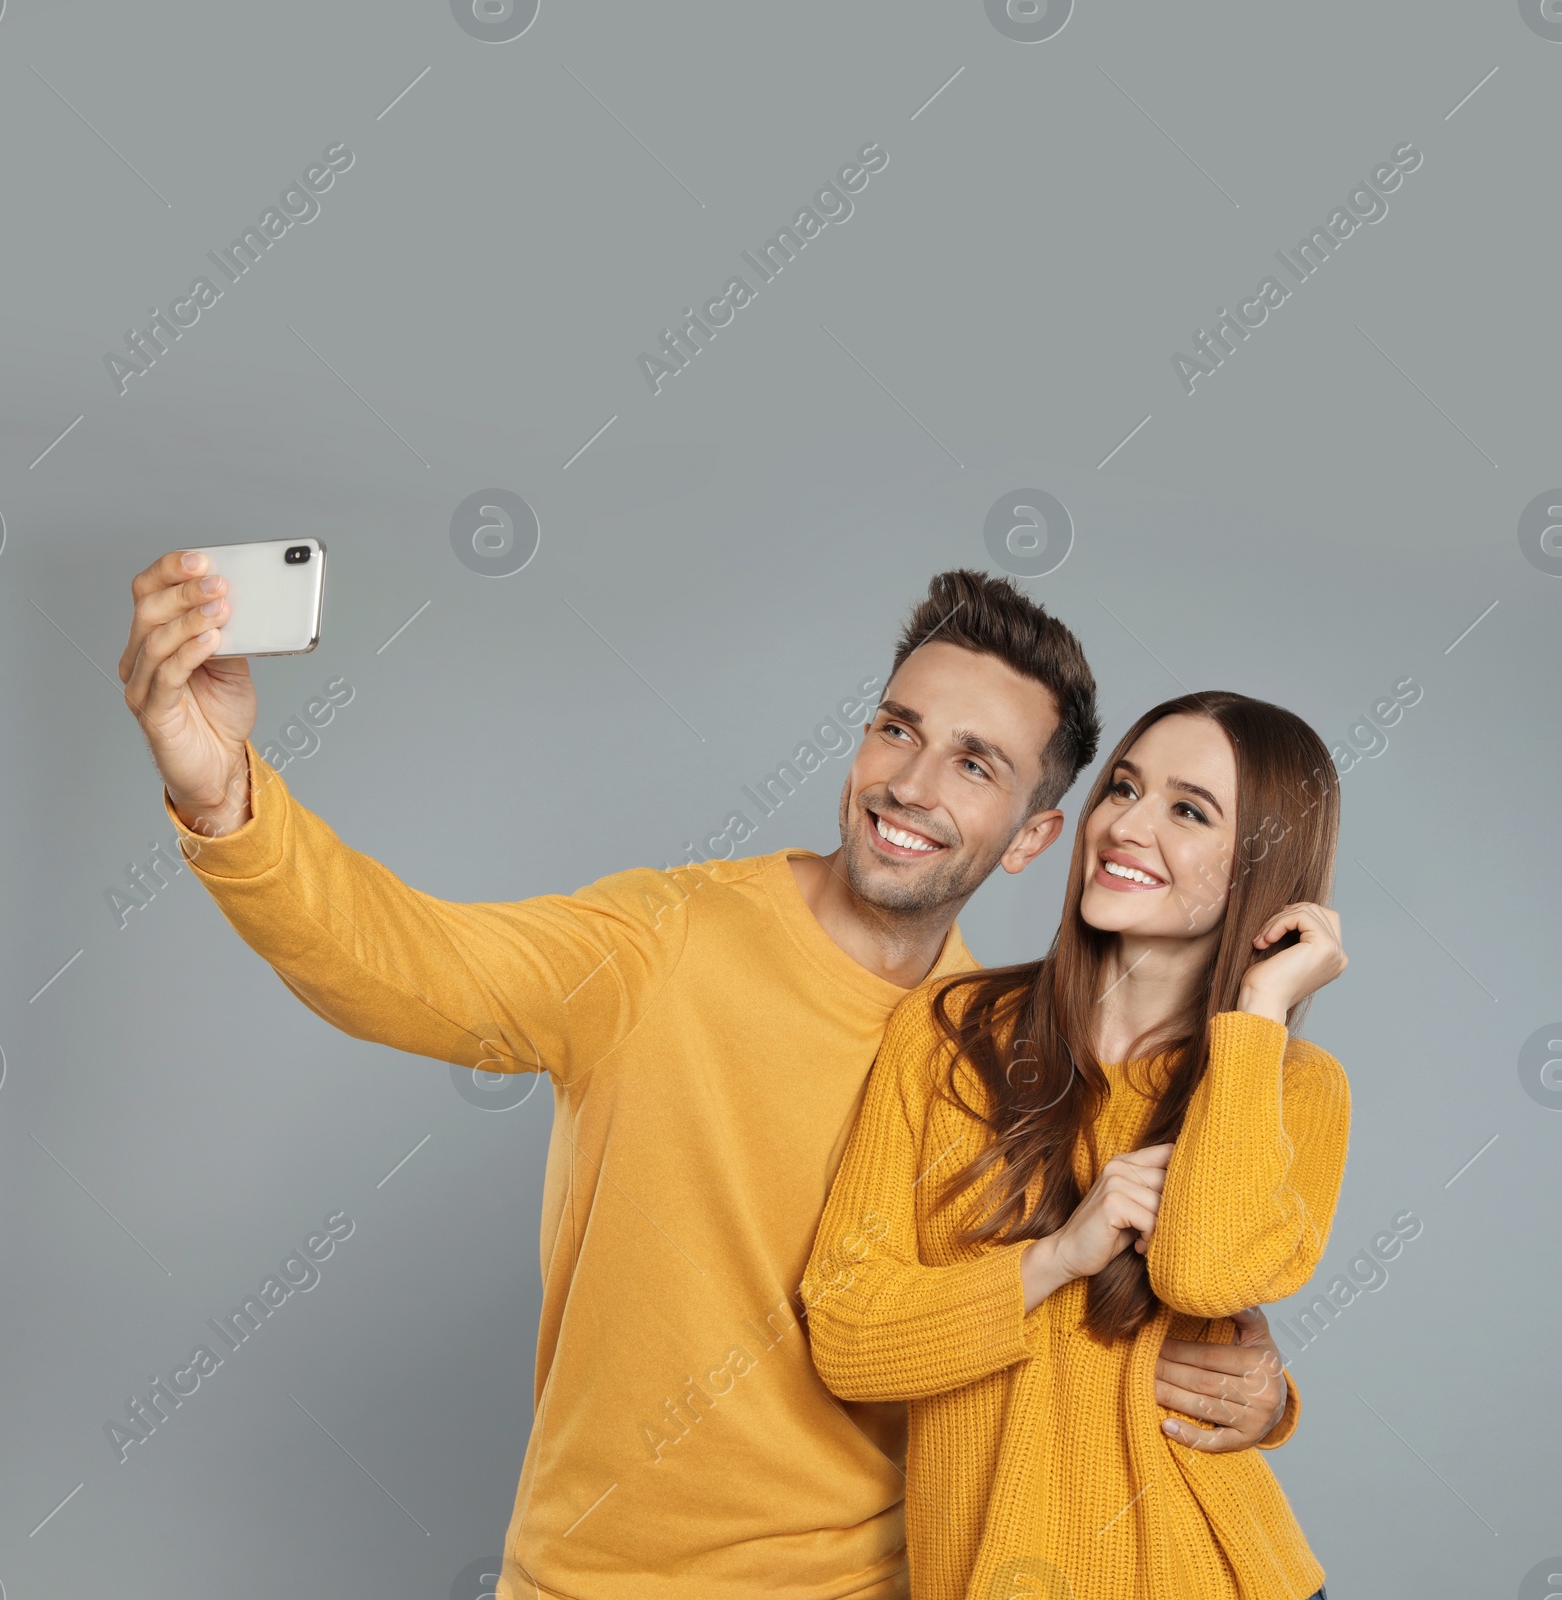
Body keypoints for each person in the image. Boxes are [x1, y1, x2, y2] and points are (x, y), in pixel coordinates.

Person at [119, 557, 1301, 1600]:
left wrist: (1255, 1385)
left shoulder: (1009, 1056)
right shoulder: (664, 939)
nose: (910, 784)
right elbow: (402, 962)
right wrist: (222, 793)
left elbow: (1073, 1321)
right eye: (897, 729)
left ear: (1031, 837)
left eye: (975, 763)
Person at [803, 691, 1348, 1600]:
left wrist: (1258, 1015)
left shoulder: (1291, 1086)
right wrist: (1054, 1259)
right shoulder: (949, 1036)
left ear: (1263, 863)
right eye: (1123, 788)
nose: (1127, 825)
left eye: (1188, 809)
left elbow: (1204, 1275)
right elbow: (849, 1341)